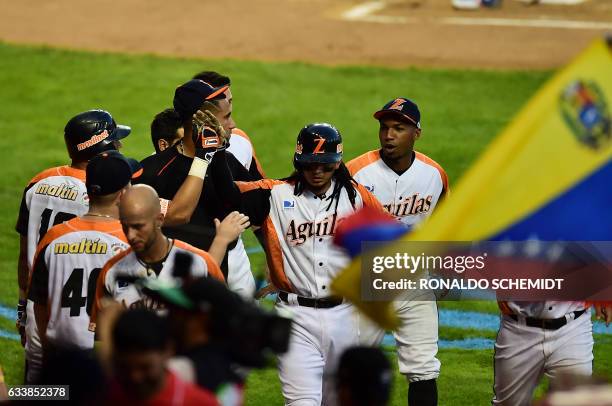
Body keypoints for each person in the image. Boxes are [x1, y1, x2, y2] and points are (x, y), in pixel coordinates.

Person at [211, 121, 384, 405]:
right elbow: (229, 196)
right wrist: (216, 152)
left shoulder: (356, 197)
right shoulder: (275, 194)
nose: (317, 171)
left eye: (325, 165)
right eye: (310, 164)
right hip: (296, 318)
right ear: (298, 160)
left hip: (345, 316)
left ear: (338, 162)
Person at [347, 97, 448, 406]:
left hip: (415, 284)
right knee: (354, 367)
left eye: (399, 128)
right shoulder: (355, 173)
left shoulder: (434, 175)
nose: (389, 135)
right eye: (384, 128)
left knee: (424, 368)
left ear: (416, 133)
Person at [16, 109, 129, 382]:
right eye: (115, 140)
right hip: (89, 317)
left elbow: (24, 255)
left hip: (38, 305)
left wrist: (23, 308)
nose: (120, 146)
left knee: (39, 390)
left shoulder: (38, 182)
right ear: (101, 147)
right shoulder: (102, 194)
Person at [137, 79, 261, 298]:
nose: (232, 124)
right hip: (169, 290)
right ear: (202, 121)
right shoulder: (152, 171)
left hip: (219, 284)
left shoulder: (228, 162)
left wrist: (218, 153)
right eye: (226, 117)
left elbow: (253, 211)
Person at [29, 151, 139, 363]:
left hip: (58, 354)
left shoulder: (54, 237)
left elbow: (40, 304)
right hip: (107, 359)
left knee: (41, 396)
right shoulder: (131, 242)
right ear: (123, 194)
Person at [89, 184, 248, 328]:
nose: (130, 235)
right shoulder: (112, 270)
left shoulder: (201, 263)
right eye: (125, 227)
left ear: (159, 220)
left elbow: (225, 320)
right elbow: (101, 336)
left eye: (138, 226)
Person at [108, 309, 219, 405]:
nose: (135, 377)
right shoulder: (103, 396)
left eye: (145, 367)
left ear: (168, 351)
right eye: (124, 367)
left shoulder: (201, 403)